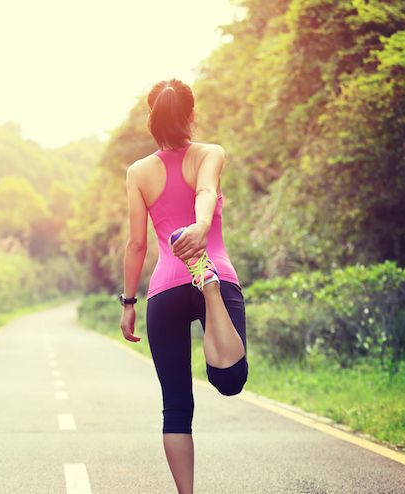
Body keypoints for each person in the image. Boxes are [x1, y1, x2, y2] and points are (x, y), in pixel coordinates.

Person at [118, 78, 248, 494]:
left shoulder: (138, 172)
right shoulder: (211, 153)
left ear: (151, 119)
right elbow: (206, 189)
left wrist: (128, 302)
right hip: (215, 269)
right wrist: (203, 227)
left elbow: (137, 243)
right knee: (230, 381)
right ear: (192, 115)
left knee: (175, 407)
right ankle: (208, 289)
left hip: (165, 288)